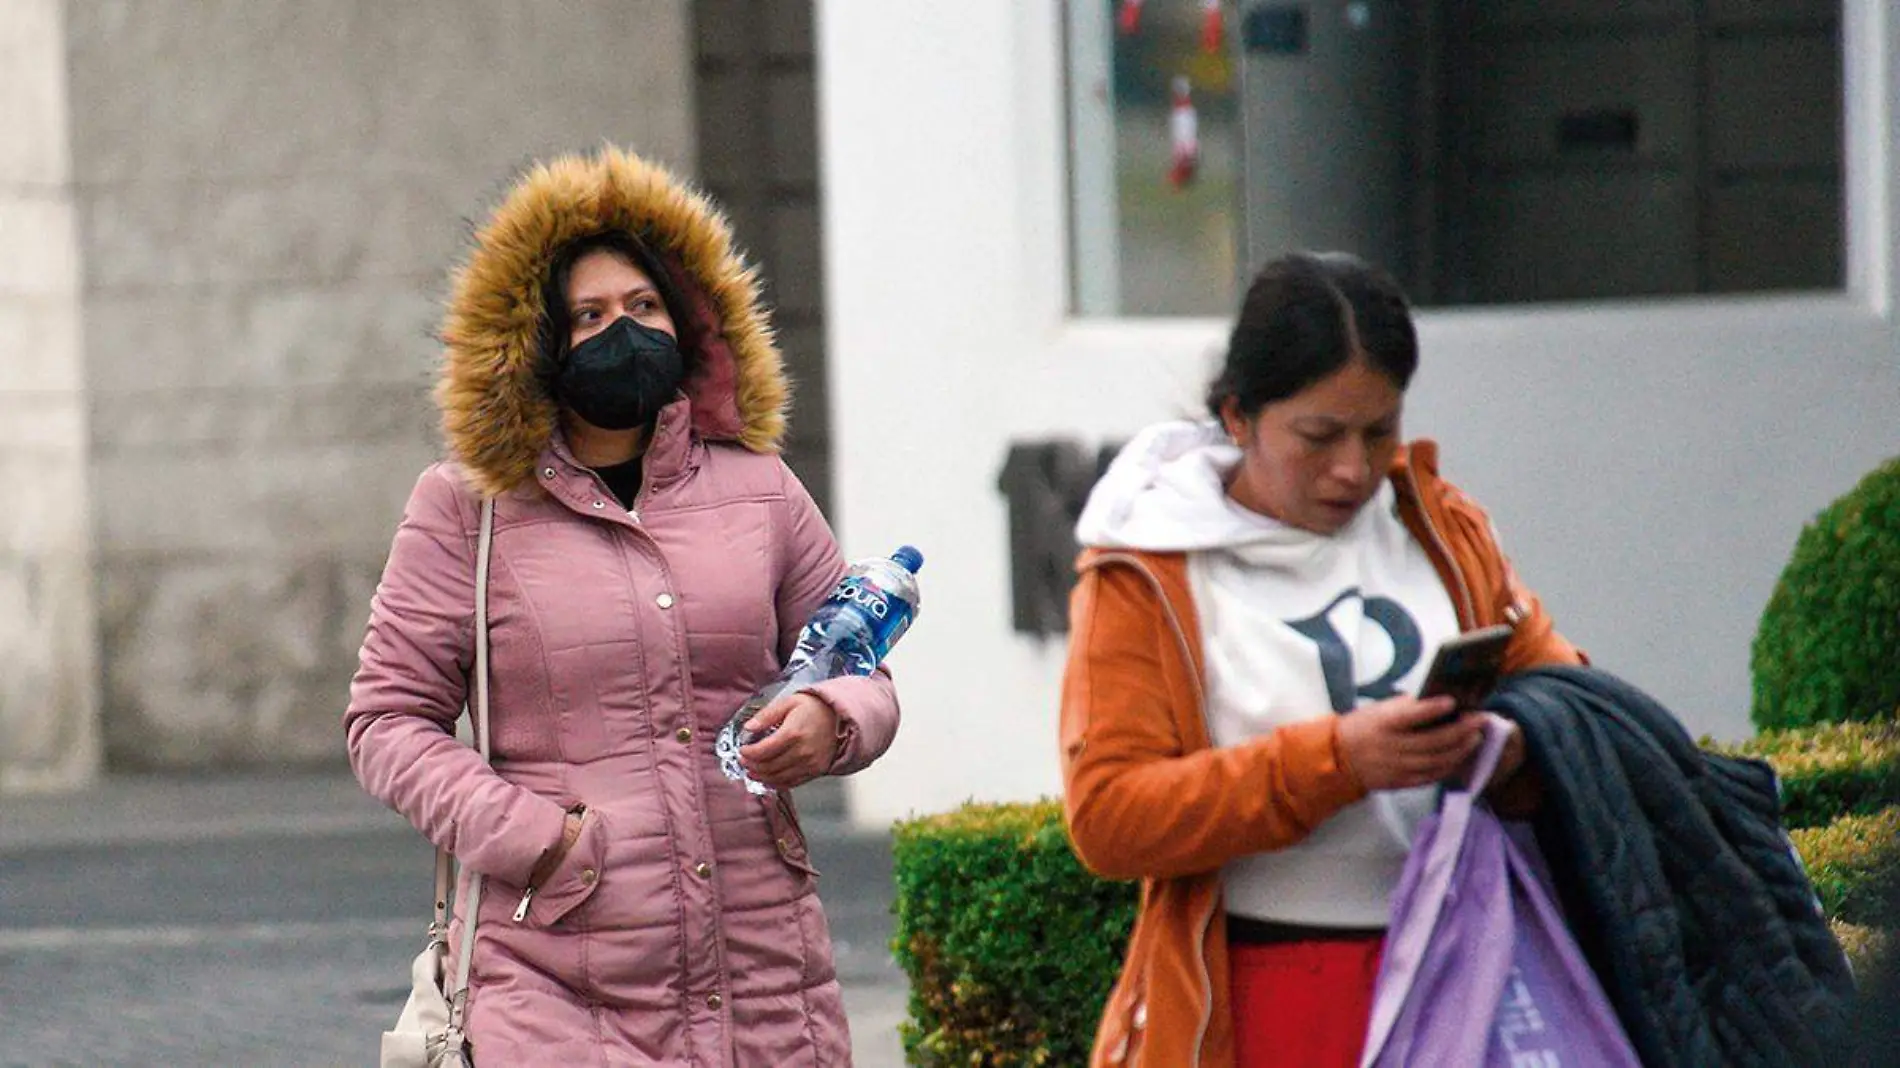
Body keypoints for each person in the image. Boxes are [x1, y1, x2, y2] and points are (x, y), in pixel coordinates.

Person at [345, 145, 900, 1065]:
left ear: (685, 325)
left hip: (760, 968)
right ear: (534, 343)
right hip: (552, 973)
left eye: (644, 309)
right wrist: (532, 837)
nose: (624, 333)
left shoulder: (760, 488)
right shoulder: (465, 508)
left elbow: (861, 668)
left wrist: (833, 719)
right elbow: (386, 721)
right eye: (590, 316)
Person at [1058, 251, 1583, 1068]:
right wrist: (1337, 761)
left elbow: (1568, 699)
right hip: (1264, 996)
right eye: (1318, 435)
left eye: (1380, 432)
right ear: (1238, 417)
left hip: (1470, 975)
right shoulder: (1149, 565)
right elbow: (1110, 817)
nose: (1353, 468)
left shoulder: (1444, 529)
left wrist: (1515, 747)